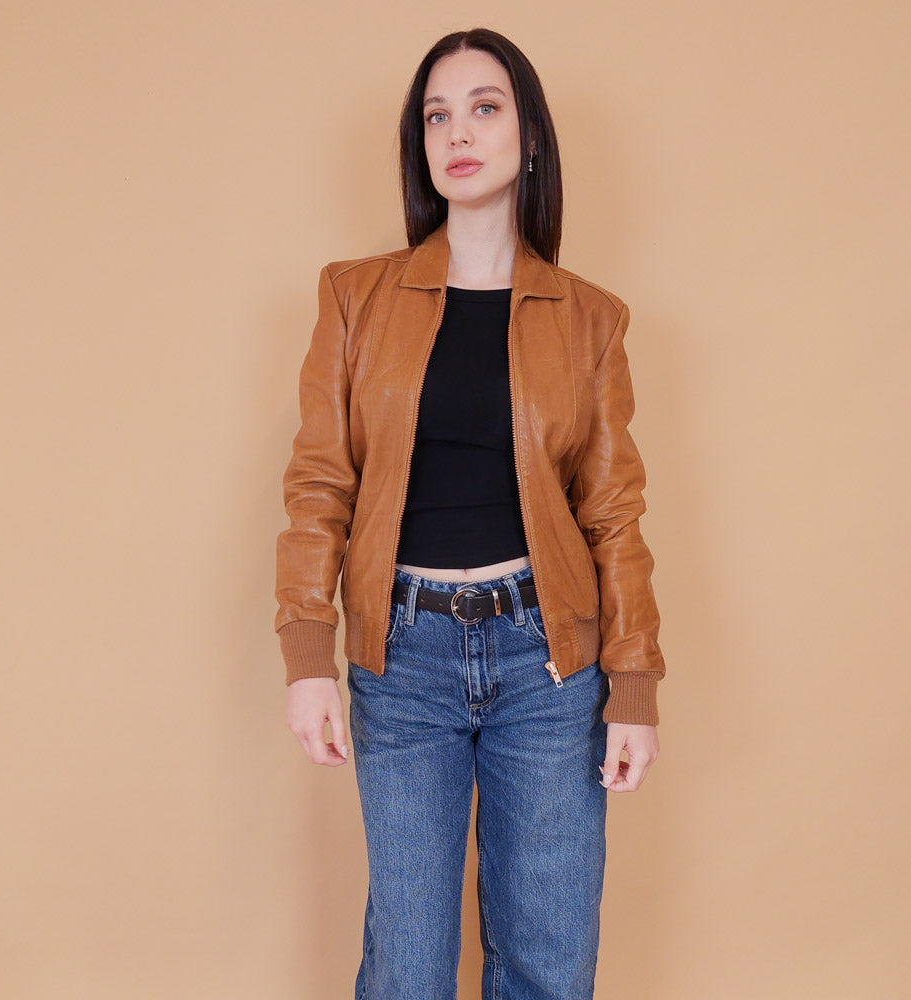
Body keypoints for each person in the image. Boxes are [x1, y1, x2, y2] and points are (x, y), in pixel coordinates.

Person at [274, 27, 666, 1000]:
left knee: (547, 958)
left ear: (529, 139)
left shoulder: (589, 319)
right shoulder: (355, 297)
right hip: (403, 658)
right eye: (436, 115)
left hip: (547, 661)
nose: (457, 132)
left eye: (485, 108)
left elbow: (613, 512)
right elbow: (320, 482)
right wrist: (307, 653)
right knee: (408, 965)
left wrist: (634, 684)